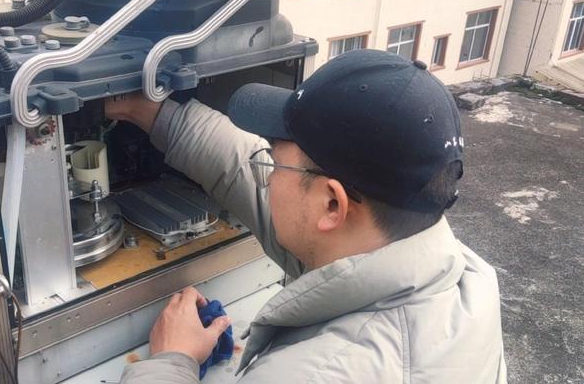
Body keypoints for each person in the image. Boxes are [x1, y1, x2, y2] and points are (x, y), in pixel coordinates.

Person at [104, 49, 507, 383]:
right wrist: (155, 114)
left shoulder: (311, 373)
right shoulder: (467, 279)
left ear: (331, 205)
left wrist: (172, 360)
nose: (267, 173)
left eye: (276, 164)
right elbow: (247, 171)